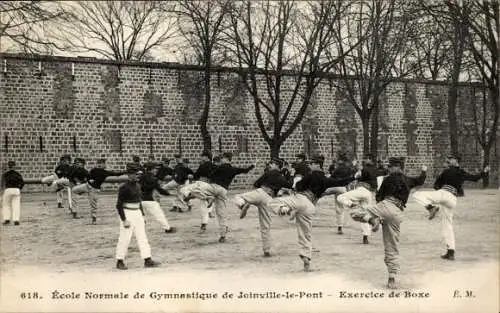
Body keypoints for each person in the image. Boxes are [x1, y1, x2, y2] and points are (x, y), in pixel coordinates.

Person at [350, 157, 427, 289]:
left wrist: (376, 214)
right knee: (392, 245)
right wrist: (424, 171)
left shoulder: (388, 179)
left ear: (398, 167)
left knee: (355, 211)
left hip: (386, 205)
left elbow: (379, 197)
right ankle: (392, 277)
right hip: (398, 212)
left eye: (391, 166)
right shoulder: (408, 179)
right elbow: (420, 180)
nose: (389, 168)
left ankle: (373, 220)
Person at [270, 155, 354, 271]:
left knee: (273, 202)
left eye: (311, 163)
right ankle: (306, 257)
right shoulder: (326, 179)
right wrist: (353, 178)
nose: (309, 165)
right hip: (310, 206)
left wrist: (295, 182)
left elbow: (298, 186)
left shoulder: (310, 175)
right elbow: (339, 182)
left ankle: (284, 209)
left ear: (317, 165)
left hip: (300, 199)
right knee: (306, 233)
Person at [412, 155, 489, 261]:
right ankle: (450, 252)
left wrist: (442, 184)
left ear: (456, 161)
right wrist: (484, 172)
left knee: (416, 195)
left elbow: (436, 186)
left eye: (450, 159)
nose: (448, 160)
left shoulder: (446, 171)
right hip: (452, 199)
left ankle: (431, 208)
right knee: (447, 225)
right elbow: (475, 178)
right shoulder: (461, 172)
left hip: (444, 194)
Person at [233, 157, 292, 257]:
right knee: (265, 225)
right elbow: (289, 185)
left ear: (277, 166)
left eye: (272, 163)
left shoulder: (269, 173)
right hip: (269, 198)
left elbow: (256, 183)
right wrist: (289, 175)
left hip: (260, 193)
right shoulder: (281, 176)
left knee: (237, 197)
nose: (270, 165)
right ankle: (266, 250)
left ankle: (244, 204)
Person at [115, 163, 160, 270]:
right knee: (125, 238)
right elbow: (119, 205)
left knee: (142, 237)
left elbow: (139, 202)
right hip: (127, 213)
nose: (138, 176)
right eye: (135, 174)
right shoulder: (124, 188)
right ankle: (119, 260)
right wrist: (124, 220)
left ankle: (147, 259)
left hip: (137, 213)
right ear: (129, 174)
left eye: (139, 174)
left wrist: (142, 215)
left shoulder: (138, 186)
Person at [336, 154, 378, 244]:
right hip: (369, 193)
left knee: (340, 197)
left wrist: (356, 166)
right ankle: (365, 236)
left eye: (366, 159)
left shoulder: (364, 169)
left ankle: (351, 204)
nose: (365, 160)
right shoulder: (376, 170)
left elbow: (356, 176)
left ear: (370, 159)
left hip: (361, 190)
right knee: (365, 215)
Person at [322, 153, 357, 235]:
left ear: (340, 161)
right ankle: (340, 227)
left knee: (320, 193)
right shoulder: (349, 169)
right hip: (343, 188)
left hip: (334, 187)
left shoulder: (338, 168)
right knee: (340, 208)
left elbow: (331, 178)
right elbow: (351, 178)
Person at [182, 150, 215, 232]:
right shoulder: (214, 166)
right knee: (204, 205)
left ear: (206, 157)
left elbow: (196, 176)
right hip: (211, 186)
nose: (201, 157)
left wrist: (190, 176)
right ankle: (204, 224)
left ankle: (195, 196)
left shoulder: (203, 165)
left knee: (183, 189)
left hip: (201, 184)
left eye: (202, 156)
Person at [140, 162, 177, 233]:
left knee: (138, 215)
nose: (156, 170)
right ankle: (168, 228)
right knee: (159, 214)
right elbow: (160, 190)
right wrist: (169, 194)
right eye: (155, 169)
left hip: (139, 200)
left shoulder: (141, 177)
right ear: (152, 169)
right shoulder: (153, 179)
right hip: (149, 200)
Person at [86, 159, 125, 224]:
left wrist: (126, 172)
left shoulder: (106, 172)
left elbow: (116, 174)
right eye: (99, 163)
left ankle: (94, 219)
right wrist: (89, 181)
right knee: (74, 190)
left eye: (102, 163)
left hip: (94, 189)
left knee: (93, 203)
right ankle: (73, 208)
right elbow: (87, 176)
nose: (100, 165)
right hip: (86, 186)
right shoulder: (93, 170)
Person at [1, 161, 25, 226]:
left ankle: (7, 219)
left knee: (6, 205)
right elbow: (22, 183)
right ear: (15, 166)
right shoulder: (18, 174)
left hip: (8, 189)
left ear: (8, 166)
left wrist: (2, 191)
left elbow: (2, 183)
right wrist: (19, 188)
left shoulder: (5, 174)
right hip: (16, 189)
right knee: (16, 205)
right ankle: (16, 220)